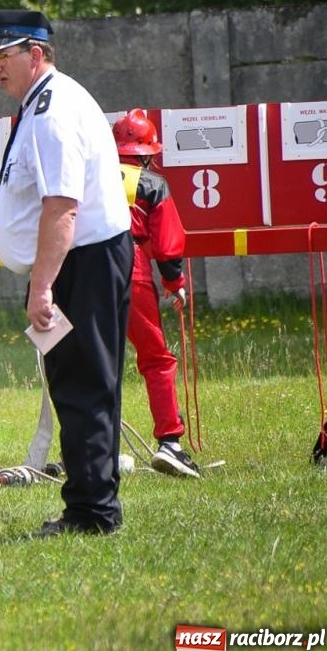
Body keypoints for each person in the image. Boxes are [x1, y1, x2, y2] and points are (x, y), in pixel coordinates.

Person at [0, 9, 133, 536]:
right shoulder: (42, 102)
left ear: (37, 53)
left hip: (81, 262)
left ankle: (92, 512)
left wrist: (43, 285)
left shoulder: (51, 110)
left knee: (82, 386)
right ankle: (92, 501)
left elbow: (62, 207)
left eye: (6, 55)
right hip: (78, 258)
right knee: (79, 383)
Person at [111, 109, 200, 478]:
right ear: (147, 152)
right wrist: (175, 283)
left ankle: (98, 449)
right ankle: (170, 444)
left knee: (95, 363)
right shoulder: (151, 182)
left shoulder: (87, 174)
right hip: (127, 266)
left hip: (80, 267)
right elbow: (166, 243)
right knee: (156, 358)